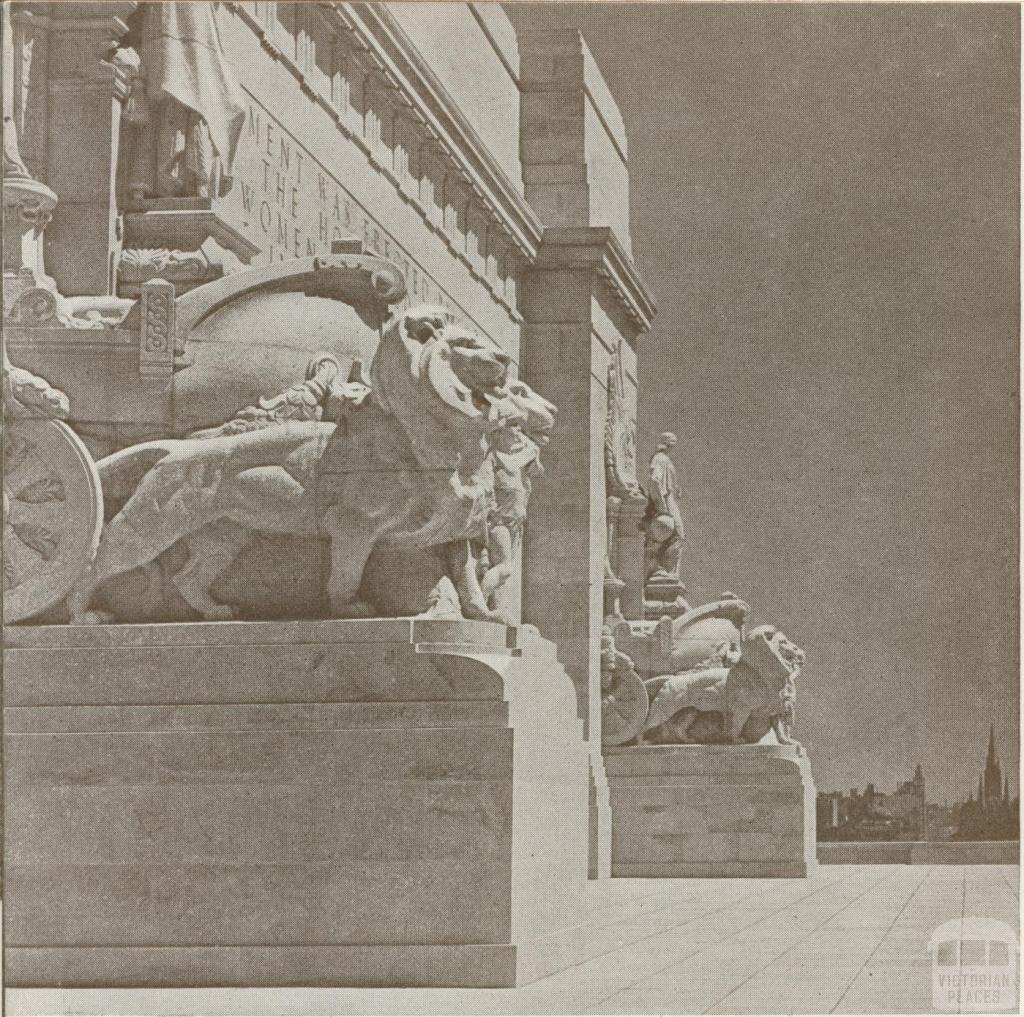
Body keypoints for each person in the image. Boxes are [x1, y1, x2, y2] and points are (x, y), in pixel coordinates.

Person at [644, 431, 685, 584]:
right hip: (665, 503)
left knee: (675, 536)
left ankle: (665, 572)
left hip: (667, 501)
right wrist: (661, 507)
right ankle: (662, 571)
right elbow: (654, 481)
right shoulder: (661, 458)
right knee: (677, 535)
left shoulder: (663, 459)